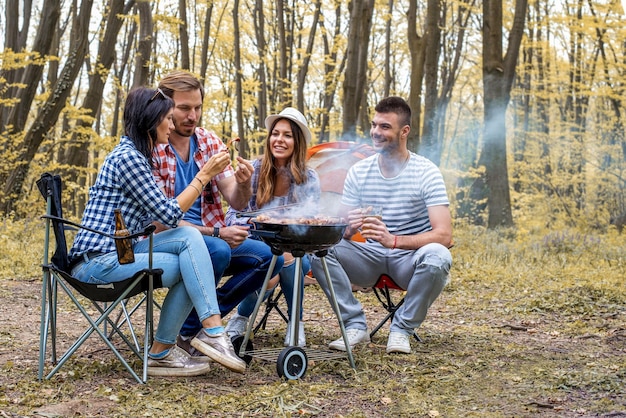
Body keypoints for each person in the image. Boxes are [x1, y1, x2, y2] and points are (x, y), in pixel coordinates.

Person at [68, 87, 246, 376]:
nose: (173, 125)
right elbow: (168, 213)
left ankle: (170, 350)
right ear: (151, 121)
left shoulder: (140, 156)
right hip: (96, 262)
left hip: (122, 252)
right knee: (191, 255)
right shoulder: (128, 158)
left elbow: (170, 220)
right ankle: (211, 334)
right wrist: (204, 176)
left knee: (191, 243)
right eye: (167, 118)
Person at [152, 71, 283, 356]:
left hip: (214, 238)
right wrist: (216, 233)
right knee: (218, 250)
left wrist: (245, 182)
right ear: (164, 106)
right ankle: (195, 332)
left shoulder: (208, 141)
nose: (192, 115)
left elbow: (236, 201)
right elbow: (161, 222)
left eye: (197, 107)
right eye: (184, 108)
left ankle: (192, 329)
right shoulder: (154, 148)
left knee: (269, 257)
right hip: (173, 241)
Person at [310, 96, 453, 354]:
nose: (376, 132)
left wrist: (395, 241)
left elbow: (444, 235)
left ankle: (402, 330)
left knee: (439, 256)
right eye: (374, 125)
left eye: (385, 127)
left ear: (404, 131)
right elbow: (344, 231)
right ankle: (354, 326)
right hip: (368, 258)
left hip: (408, 261)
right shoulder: (359, 171)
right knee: (319, 248)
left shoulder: (426, 171)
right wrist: (349, 226)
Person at [224, 107, 321, 347]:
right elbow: (232, 214)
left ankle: (294, 323)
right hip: (256, 243)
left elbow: (310, 223)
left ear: (297, 142)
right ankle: (241, 318)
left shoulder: (309, 178)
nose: (279, 140)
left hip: (293, 249)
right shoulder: (254, 170)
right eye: (275, 134)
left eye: (287, 135)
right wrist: (257, 221)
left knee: (290, 258)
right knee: (270, 272)